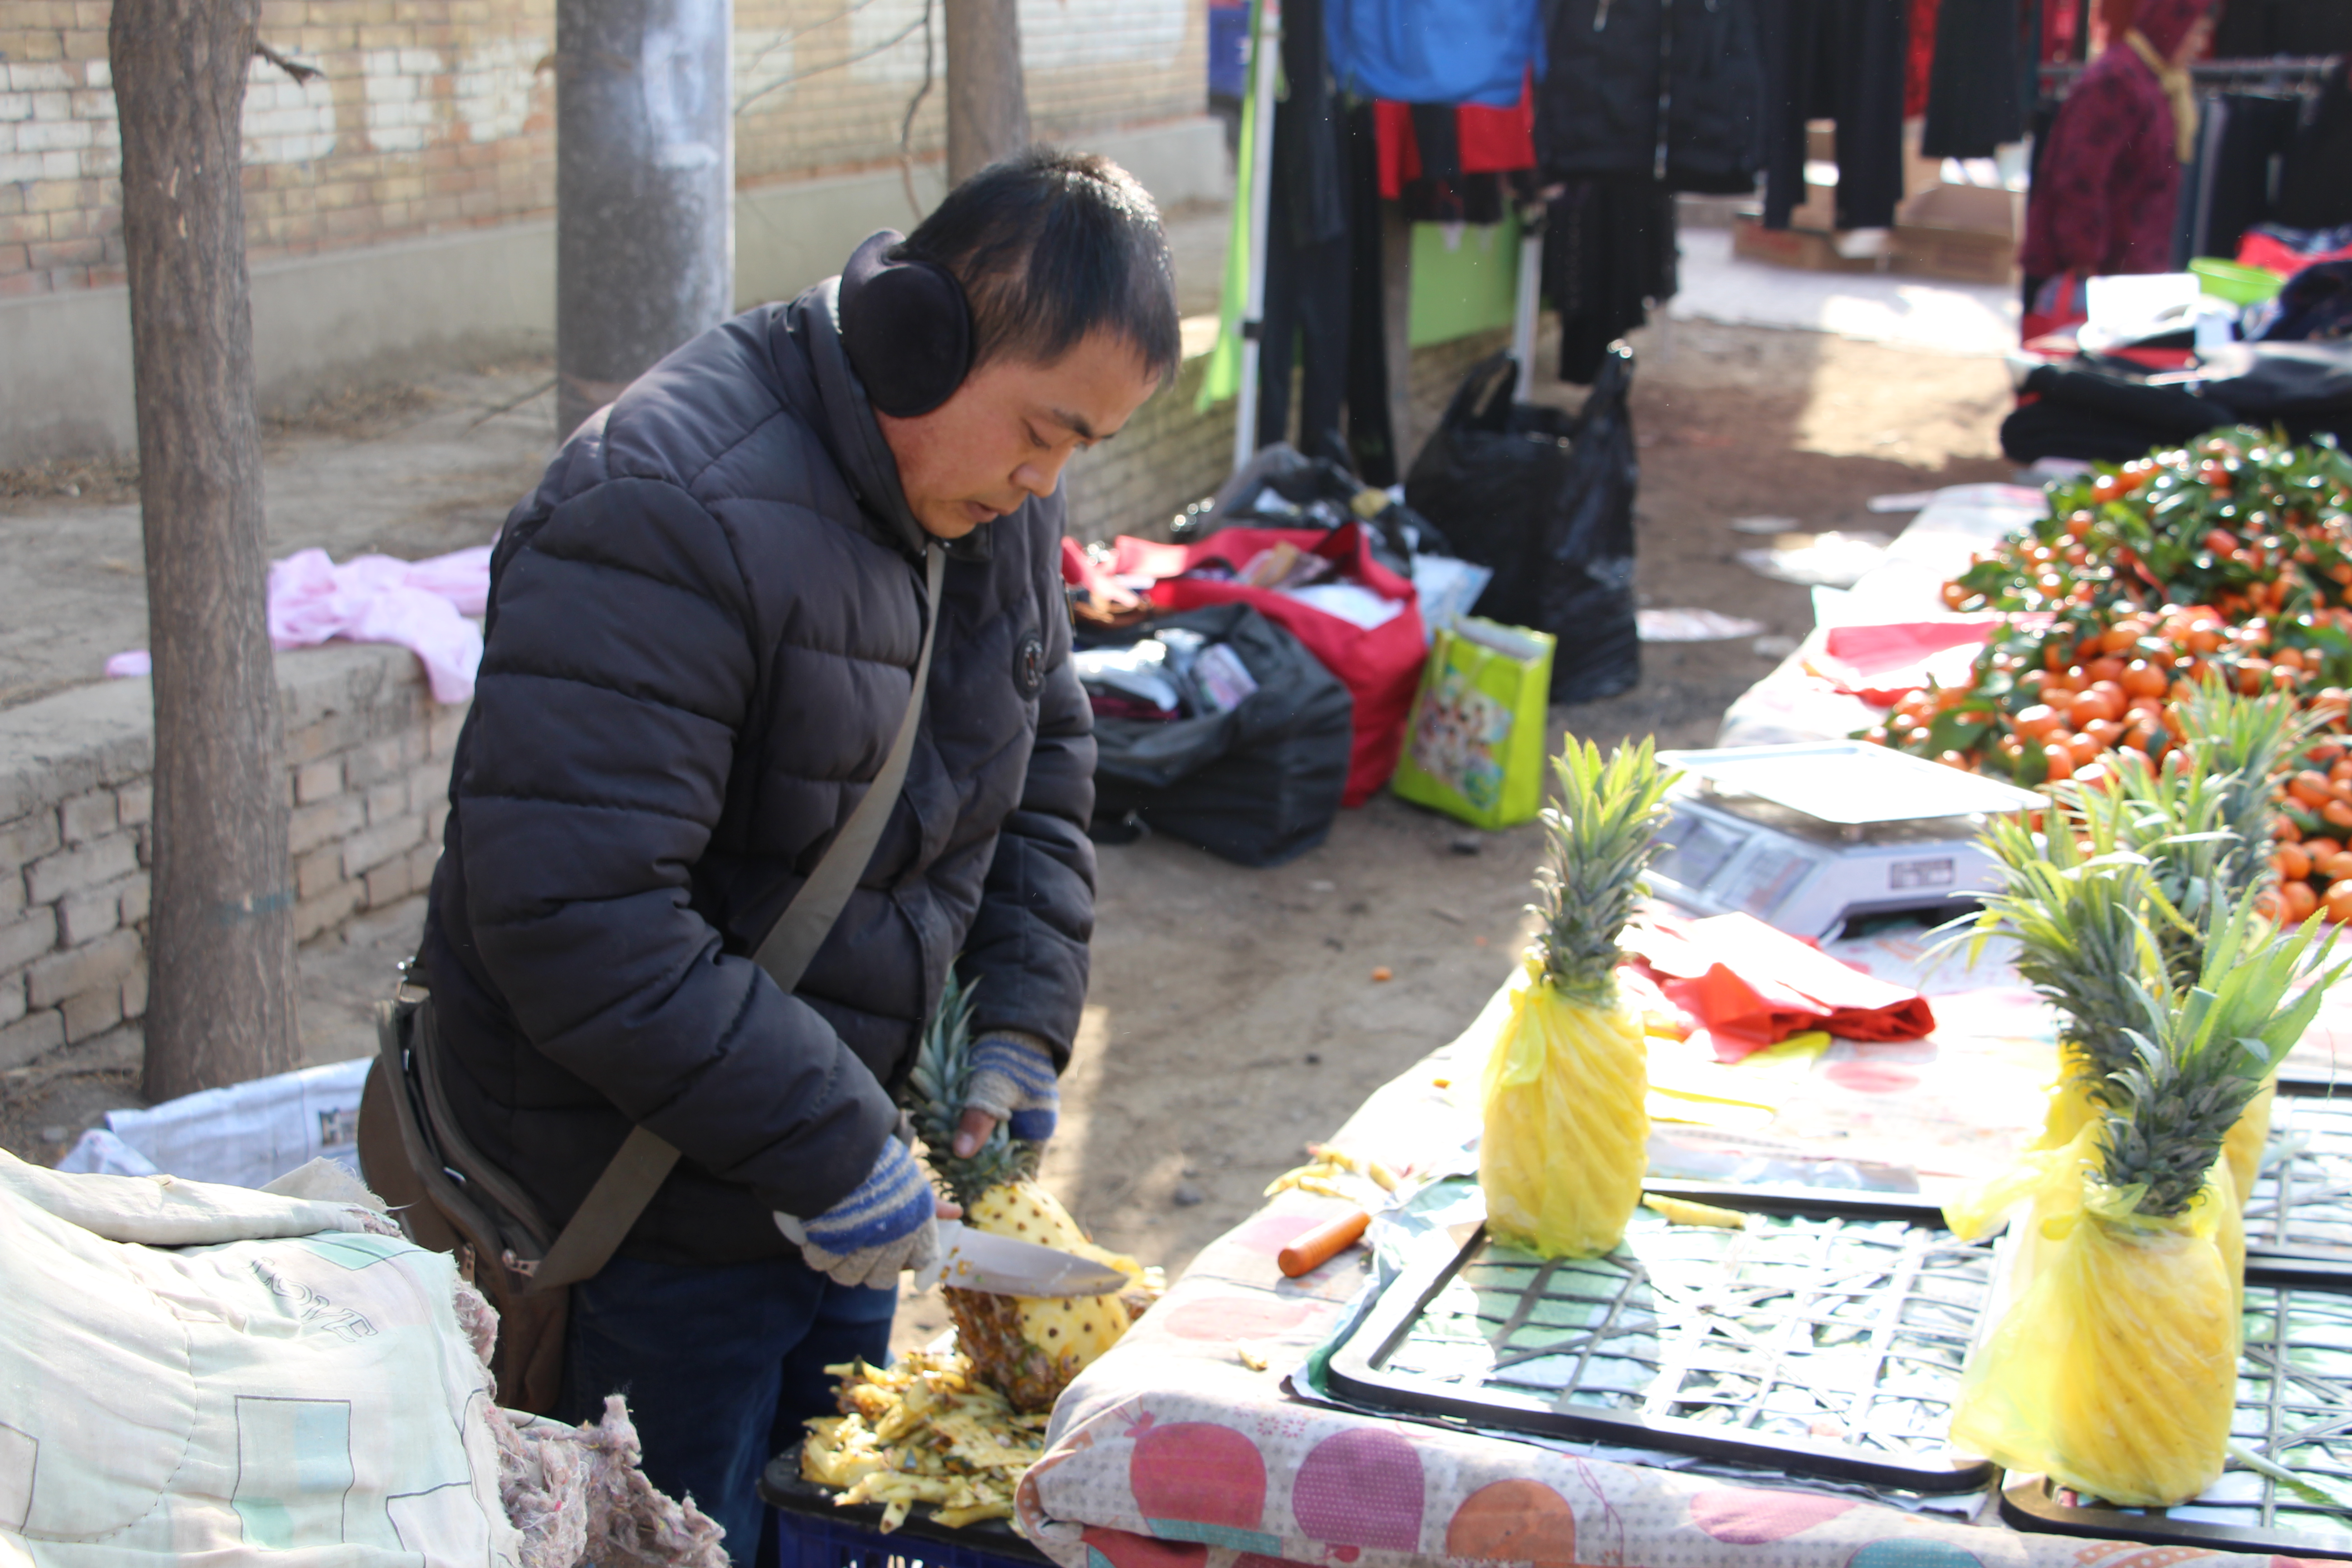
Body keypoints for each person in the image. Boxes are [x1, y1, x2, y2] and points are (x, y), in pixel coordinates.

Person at [414, 147, 1180, 1559]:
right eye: (1043, 431)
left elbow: (1040, 762)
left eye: (1079, 448)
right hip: (634, 1212)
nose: (1044, 477)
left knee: (811, 1517)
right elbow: (575, 914)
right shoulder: (658, 505)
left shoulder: (989, 493)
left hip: (836, 1187)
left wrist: (1013, 1031)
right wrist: (832, 1143)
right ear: (920, 339)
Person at [2019, 0, 2218, 331]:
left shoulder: (2156, 82)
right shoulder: (2117, 81)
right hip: (2098, 281)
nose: (2198, 46)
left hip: (2124, 280)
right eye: (2195, 33)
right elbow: (2079, 178)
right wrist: (2084, 262)